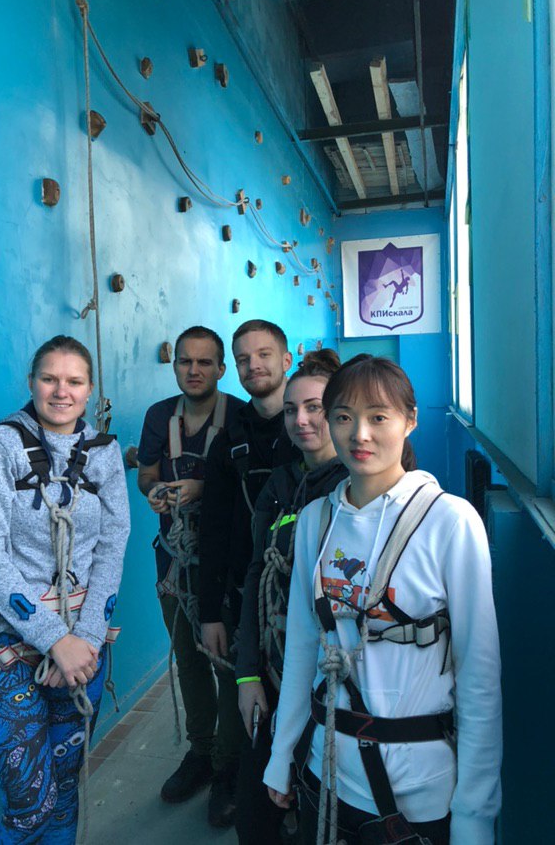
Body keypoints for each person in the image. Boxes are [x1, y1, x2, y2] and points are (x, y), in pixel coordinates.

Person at [264, 354, 502, 845]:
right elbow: (303, 649)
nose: (360, 435)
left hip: (419, 790)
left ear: (410, 420)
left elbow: (480, 675)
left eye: (378, 417)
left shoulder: (450, 522)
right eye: (343, 417)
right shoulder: (314, 521)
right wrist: (282, 753)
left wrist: (475, 814)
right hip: (326, 774)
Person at [0, 335, 130, 844]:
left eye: (74, 381)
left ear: (89, 390)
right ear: (31, 382)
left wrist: (85, 639)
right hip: (7, 641)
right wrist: (55, 639)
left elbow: (112, 546)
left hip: (84, 642)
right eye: (49, 378)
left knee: (66, 791)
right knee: (31, 806)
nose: (61, 391)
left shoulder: (104, 452)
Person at [235, 349, 348, 845]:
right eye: (290, 410)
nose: (300, 420)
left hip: (331, 679)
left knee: (317, 812)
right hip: (275, 668)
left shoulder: (357, 490)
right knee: (254, 816)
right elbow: (256, 573)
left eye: (315, 408)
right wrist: (247, 675)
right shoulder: (281, 483)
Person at [137, 326, 245, 804]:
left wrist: (205, 488)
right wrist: (156, 491)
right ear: (175, 365)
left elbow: (251, 489)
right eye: (185, 361)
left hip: (224, 565)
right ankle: (201, 750)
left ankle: (229, 763)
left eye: (204, 362)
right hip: (174, 564)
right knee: (189, 659)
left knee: (228, 664)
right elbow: (146, 475)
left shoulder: (239, 417)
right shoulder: (159, 417)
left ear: (221, 369)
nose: (194, 370)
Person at [199, 319, 298, 828]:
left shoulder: (313, 430)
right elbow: (212, 531)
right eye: (243, 358)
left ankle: (301, 790)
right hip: (246, 597)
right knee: (245, 696)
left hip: (307, 600)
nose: (253, 365)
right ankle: (234, 776)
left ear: (287, 360)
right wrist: (210, 612)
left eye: (263, 354)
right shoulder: (229, 441)